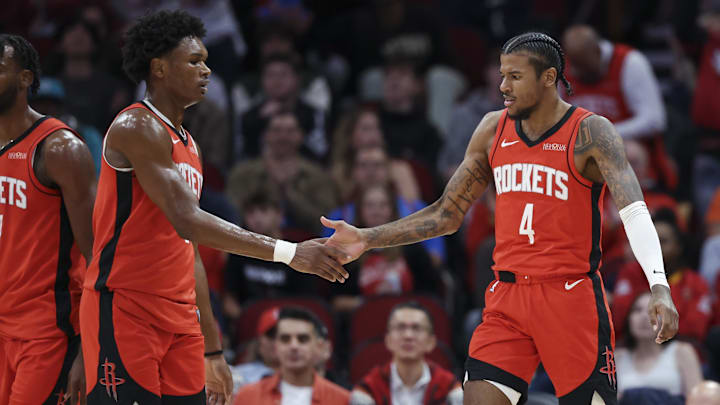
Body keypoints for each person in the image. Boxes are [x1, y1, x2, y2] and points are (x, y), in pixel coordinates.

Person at [322, 32, 679, 405]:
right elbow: (446, 214)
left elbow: (635, 212)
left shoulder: (590, 132)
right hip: (507, 297)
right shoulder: (493, 129)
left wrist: (658, 285)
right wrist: (367, 237)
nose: (503, 86)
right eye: (502, 74)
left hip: (569, 297)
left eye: (515, 76)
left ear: (548, 78)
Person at [79, 10, 349, 405]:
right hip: (125, 306)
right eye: (194, 61)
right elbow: (188, 220)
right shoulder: (136, 127)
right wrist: (289, 252)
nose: (206, 70)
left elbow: (189, 249)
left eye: (206, 60)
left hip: (181, 316)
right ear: (159, 68)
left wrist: (213, 349)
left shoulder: (190, 145)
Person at [0, 34, 96, 404]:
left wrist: (90, 349)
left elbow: (97, 256)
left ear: (26, 78)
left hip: (45, 334)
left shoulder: (60, 149)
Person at [561, 25, 677, 193]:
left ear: (597, 51)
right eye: (576, 66)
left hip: (623, 144)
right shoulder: (563, 69)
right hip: (579, 146)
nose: (578, 73)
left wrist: (604, 133)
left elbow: (655, 119)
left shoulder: (629, 62)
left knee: (631, 153)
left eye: (585, 66)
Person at [350, 301, 462, 405]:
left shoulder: (451, 390)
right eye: (400, 327)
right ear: (388, 340)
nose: (408, 336)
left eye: (416, 328)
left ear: (431, 342)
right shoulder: (368, 389)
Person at [233, 307, 350, 405]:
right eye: (285, 339)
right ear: (276, 347)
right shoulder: (247, 397)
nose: (293, 346)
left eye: (303, 339)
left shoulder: (343, 400)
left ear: (318, 346)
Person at [615, 292, 702, 399]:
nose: (644, 317)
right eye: (637, 310)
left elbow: (699, 400)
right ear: (629, 319)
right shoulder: (616, 357)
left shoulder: (682, 351)